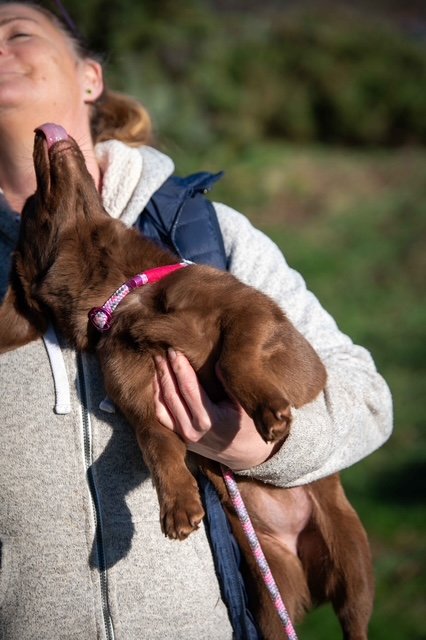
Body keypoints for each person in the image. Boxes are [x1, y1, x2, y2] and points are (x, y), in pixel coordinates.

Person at [0, 2, 393, 639]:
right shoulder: (23, 282)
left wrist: (266, 448)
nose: (0, 48)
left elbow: (369, 400)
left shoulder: (204, 232)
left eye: (18, 33)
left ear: (90, 77)